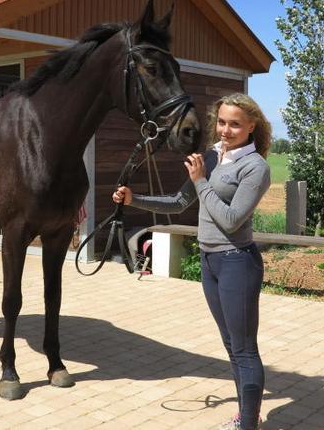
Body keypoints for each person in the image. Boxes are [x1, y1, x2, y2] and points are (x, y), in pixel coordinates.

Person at [113, 93, 272, 430]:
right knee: (231, 346)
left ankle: (247, 425)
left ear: (251, 127)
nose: (226, 130)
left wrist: (201, 181)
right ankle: (247, 416)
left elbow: (230, 219)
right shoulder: (212, 156)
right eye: (222, 122)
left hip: (237, 263)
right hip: (209, 261)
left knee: (244, 349)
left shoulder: (255, 167)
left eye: (235, 124)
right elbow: (179, 201)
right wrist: (134, 199)